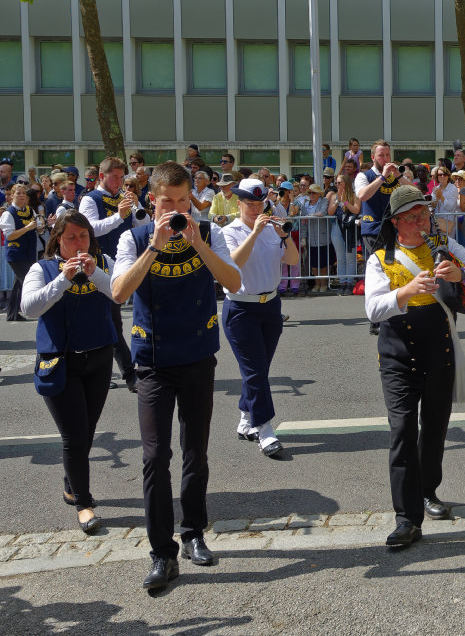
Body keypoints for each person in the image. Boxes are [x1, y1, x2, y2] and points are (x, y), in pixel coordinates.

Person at [111, 161, 242, 592]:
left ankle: (193, 533)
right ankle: (160, 553)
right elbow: (118, 292)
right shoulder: (134, 238)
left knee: (195, 452)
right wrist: (155, 245)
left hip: (198, 355)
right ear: (154, 200)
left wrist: (197, 243)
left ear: (192, 199)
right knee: (154, 457)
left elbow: (233, 282)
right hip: (151, 359)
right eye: (168, 202)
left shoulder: (210, 233)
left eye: (183, 201)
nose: (176, 208)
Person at [364, 185, 465, 548]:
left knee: (434, 428)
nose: (423, 221)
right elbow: (372, 309)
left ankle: (428, 491)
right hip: (397, 356)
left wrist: (462, 275)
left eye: (425, 214)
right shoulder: (380, 259)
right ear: (397, 222)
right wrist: (405, 291)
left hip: (439, 351)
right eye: (414, 216)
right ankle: (406, 518)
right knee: (402, 431)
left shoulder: (445, 247)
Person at [21, 211, 117, 533]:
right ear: (58, 240)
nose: (79, 244)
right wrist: (62, 279)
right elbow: (28, 308)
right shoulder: (42, 268)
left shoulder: (104, 263)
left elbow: (120, 292)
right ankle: (84, 503)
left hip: (100, 357)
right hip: (61, 362)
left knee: (87, 432)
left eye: (84, 237)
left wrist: (95, 275)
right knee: (74, 437)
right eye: (71, 237)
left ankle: (69, 482)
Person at [221, 179, 299, 458]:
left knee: (259, 369)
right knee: (254, 371)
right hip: (241, 309)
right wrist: (253, 233)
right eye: (250, 204)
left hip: (270, 306)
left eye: (260, 203)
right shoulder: (228, 231)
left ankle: (246, 420)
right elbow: (233, 263)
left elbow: (292, 259)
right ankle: (264, 428)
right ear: (239, 203)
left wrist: (284, 235)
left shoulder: (272, 230)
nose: (256, 209)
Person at [80, 157, 138, 391]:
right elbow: (90, 228)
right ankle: (129, 374)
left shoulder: (121, 198)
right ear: (102, 176)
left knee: (112, 323)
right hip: (98, 266)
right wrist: (118, 216)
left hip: (122, 265)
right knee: (110, 322)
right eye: (114, 177)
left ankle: (103, 371)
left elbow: (138, 224)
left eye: (121, 177)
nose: (119, 181)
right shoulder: (90, 199)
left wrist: (138, 208)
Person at [356, 140, 406, 334]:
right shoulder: (364, 175)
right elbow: (363, 196)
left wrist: (398, 176)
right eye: (381, 155)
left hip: (394, 229)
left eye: (387, 155)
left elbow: (413, 191)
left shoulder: (396, 175)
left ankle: (392, 315)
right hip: (373, 229)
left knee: (395, 271)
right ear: (373, 157)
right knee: (377, 273)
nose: (385, 159)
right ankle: (375, 319)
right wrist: (382, 178)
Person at [2, 183, 39, 321]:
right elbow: (10, 235)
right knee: (28, 280)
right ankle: (38, 309)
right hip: (16, 253)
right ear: (12, 196)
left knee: (18, 283)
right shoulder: (8, 213)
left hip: (28, 251)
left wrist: (44, 224)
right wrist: (28, 228)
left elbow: (37, 227)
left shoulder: (30, 210)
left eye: (24, 193)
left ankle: (12, 313)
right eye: (18, 193)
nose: (22, 196)